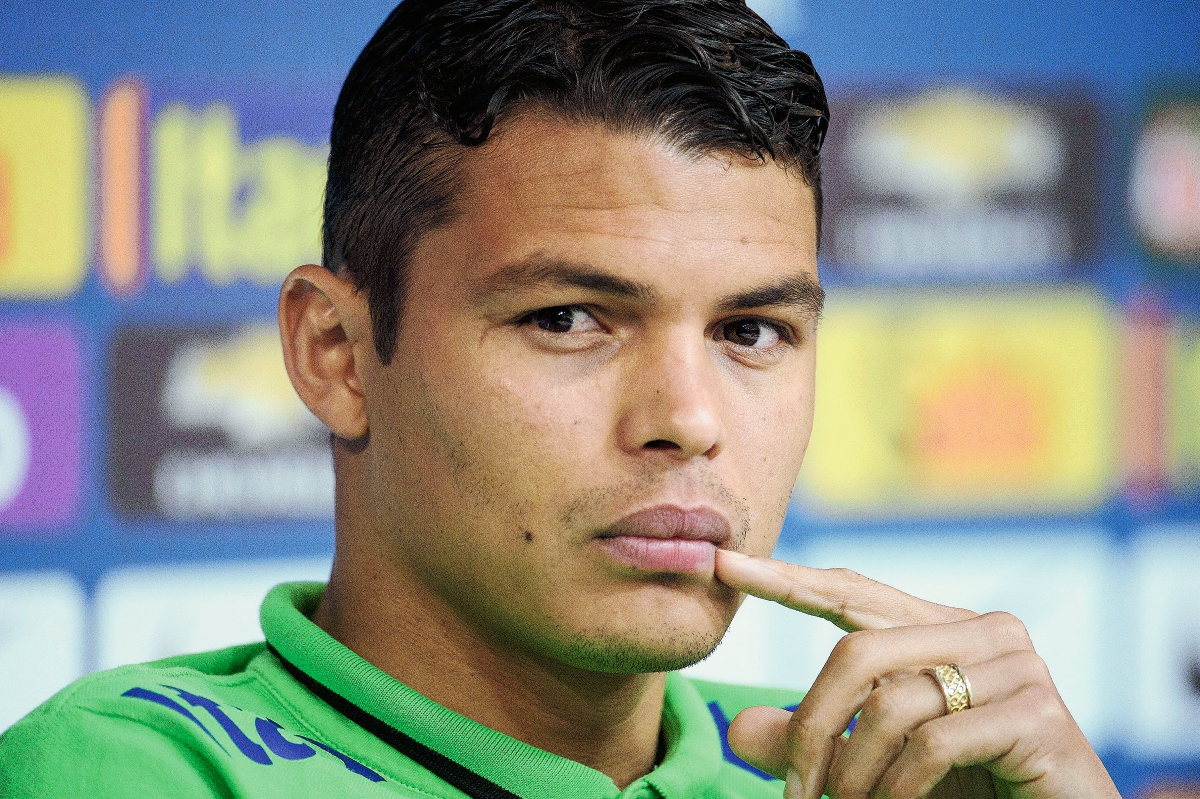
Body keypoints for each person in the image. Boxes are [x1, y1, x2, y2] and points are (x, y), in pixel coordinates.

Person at [0, 1, 1120, 797]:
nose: (689, 416)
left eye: (751, 330)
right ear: (337, 353)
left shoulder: (862, 771)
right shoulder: (131, 770)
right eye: (568, 318)